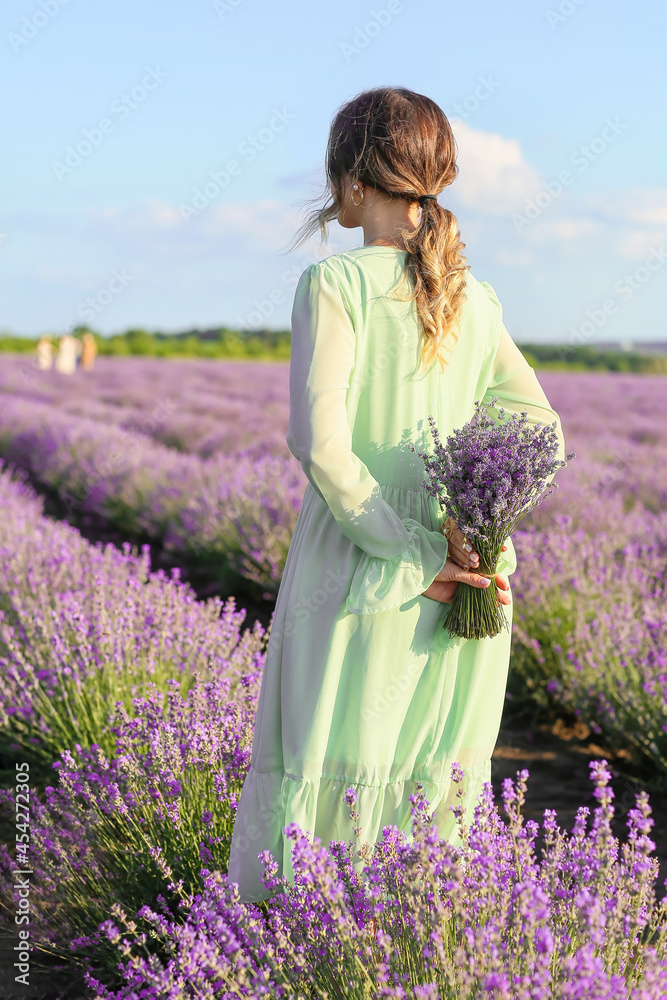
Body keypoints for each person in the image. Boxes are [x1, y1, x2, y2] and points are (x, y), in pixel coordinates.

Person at [227, 87, 566, 904]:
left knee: (329, 774)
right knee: (427, 788)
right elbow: (541, 430)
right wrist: (476, 529)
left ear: (352, 180)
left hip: (362, 568)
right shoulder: (471, 296)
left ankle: (308, 961)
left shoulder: (335, 283)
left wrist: (413, 549)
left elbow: (320, 443)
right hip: (471, 582)